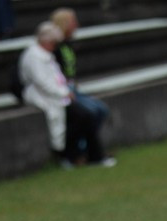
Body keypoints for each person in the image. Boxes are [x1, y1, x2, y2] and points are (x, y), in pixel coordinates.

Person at [18, 22, 108, 169]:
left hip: (58, 95)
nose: (55, 47)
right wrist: (64, 92)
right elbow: (43, 83)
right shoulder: (34, 56)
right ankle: (75, 155)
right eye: (53, 43)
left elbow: (55, 78)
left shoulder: (45, 54)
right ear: (46, 41)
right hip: (46, 97)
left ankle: (85, 154)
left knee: (92, 113)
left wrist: (65, 90)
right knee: (84, 115)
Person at [50, 8, 115, 167]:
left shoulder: (68, 46)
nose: (77, 25)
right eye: (73, 21)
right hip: (62, 93)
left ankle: (86, 150)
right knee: (89, 113)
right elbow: (53, 76)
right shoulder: (55, 48)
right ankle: (87, 154)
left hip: (72, 90)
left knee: (100, 110)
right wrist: (66, 90)